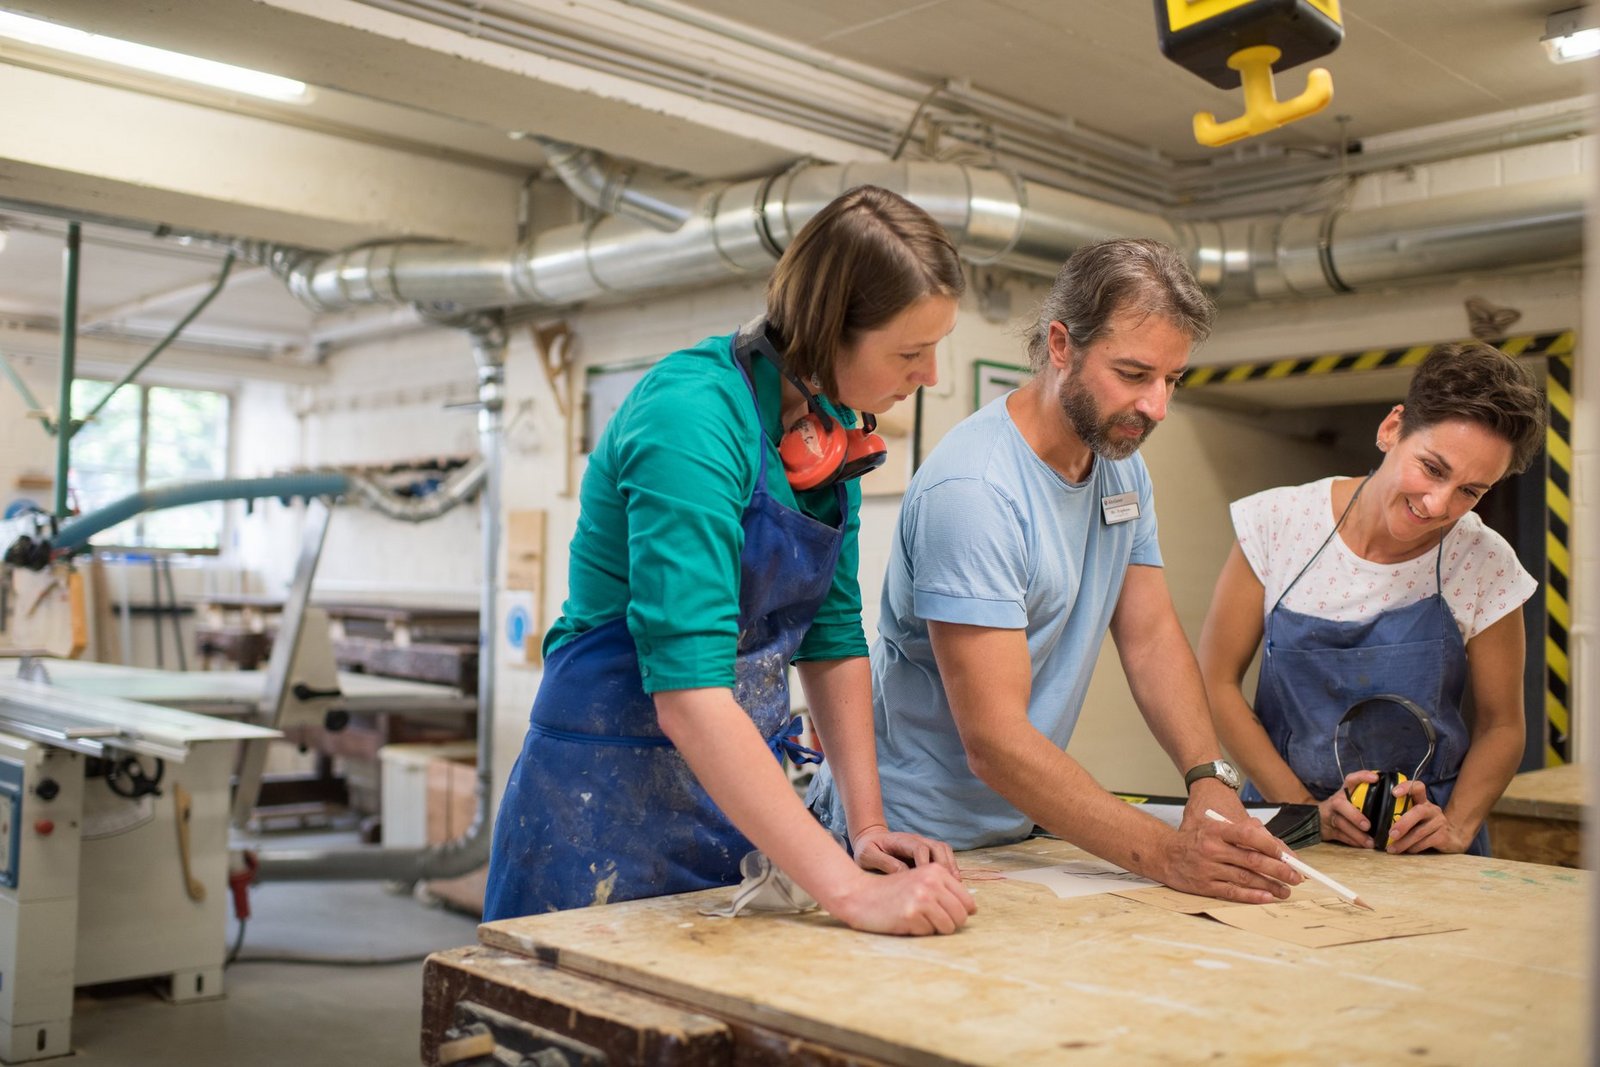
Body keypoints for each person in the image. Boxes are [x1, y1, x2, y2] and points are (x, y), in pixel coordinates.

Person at [483, 185, 976, 935]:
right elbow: (689, 693)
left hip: (731, 801)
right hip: (602, 804)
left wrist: (866, 829)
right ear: (825, 329)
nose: (931, 375)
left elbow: (836, 639)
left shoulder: (826, 431)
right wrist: (847, 890)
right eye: (912, 351)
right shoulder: (690, 417)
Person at [809, 237, 1303, 904]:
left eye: (1172, 380)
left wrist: (1207, 776)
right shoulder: (977, 491)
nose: (1157, 406)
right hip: (901, 842)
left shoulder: (1121, 465)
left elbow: (1152, 636)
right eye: (1134, 375)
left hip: (1012, 834)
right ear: (1062, 345)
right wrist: (1167, 854)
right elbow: (994, 739)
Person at [1198, 342, 1545, 856]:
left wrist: (1457, 824)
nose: (1438, 505)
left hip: (1421, 842)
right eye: (1432, 468)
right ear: (1392, 430)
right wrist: (1304, 812)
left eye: (1471, 491)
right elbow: (1215, 681)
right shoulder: (1278, 524)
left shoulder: (1483, 561)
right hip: (1289, 831)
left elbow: (1502, 725)